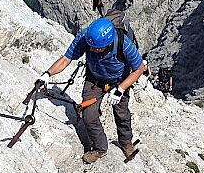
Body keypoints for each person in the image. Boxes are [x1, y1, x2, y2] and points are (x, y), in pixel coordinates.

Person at [39, 17, 144, 164]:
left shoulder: (124, 44)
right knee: (89, 116)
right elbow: (66, 59)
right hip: (95, 78)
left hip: (120, 80)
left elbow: (139, 69)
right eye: (91, 46)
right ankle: (100, 148)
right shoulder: (85, 38)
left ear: (108, 43)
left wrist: (120, 89)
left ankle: (126, 143)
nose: (92, 49)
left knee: (122, 113)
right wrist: (47, 74)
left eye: (96, 48)